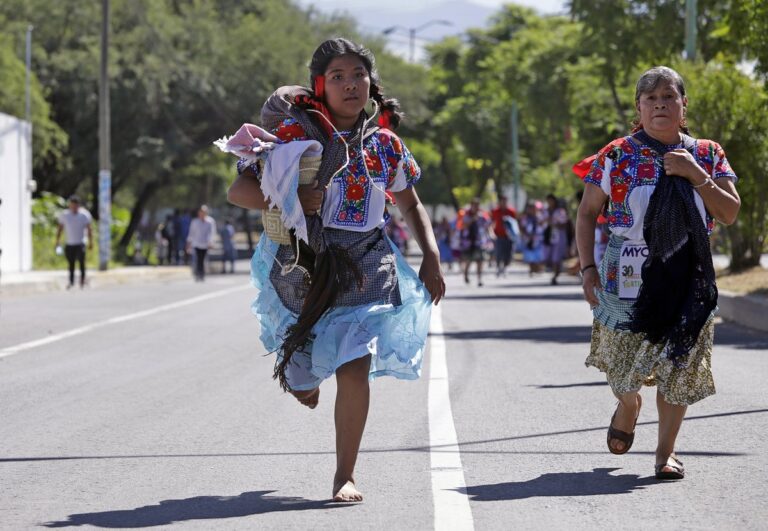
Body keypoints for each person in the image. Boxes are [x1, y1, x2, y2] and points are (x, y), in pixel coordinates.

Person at [225, 38, 444, 502]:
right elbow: (237, 192)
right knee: (302, 375)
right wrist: (289, 199)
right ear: (320, 87)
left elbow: (410, 203)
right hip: (305, 267)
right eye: (339, 77)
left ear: (372, 85)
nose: (350, 85)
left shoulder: (387, 145)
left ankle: (345, 474)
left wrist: (432, 255)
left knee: (354, 367)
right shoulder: (291, 140)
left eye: (359, 76)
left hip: (367, 264)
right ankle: (303, 382)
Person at [576, 66, 740, 480]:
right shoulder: (616, 154)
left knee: (678, 364)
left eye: (669, 97)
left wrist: (695, 174)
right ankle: (629, 405)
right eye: (650, 99)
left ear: (683, 107)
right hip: (625, 278)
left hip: (689, 277)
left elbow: (729, 212)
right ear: (639, 107)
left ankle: (665, 452)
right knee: (622, 364)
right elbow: (586, 213)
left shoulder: (707, 153)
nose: (660, 104)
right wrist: (587, 269)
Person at [54, 195, 93, 289]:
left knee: (81, 262)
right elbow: (60, 229)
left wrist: (91, 242)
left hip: (81, 242)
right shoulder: (65, 215)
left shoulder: (84, 215)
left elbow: (89, 229)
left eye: (76, 205)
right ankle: (71, 282)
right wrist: (57, 241)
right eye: (72, 205)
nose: (74, 207)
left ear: (78, 205)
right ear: (69, 205)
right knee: (71, 263)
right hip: (69, 243)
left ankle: (82, 281)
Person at [456, 198, 490, 286]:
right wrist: (472, 220)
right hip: (469, 242)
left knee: (480, 260)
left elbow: (487, 226)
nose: (476, 207)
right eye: (474, 205)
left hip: (480, 241)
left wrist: (489, 236)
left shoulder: (482, 216)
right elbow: (463, 226)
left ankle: (479, 279)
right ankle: (466, 274)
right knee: (469, 260)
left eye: (477, 205)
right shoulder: (466, 215)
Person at [543, 193, 570, 285]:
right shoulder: (545, 211)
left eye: (551, 200)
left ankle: (555, 276)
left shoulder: (560, 211)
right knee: (547, 256)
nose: (550, 202)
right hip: (548, 236)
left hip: (558, 237)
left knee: (556, 257)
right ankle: (554, 271)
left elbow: (564, 224)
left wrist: (555, 223)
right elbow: (540, 222)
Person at [186, 205, 217, 281]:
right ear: (199, 213)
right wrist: (188, 244)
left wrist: (211, 242)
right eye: (201, 212)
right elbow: (191, 233)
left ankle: (202, 274)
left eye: (204, 212)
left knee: (203, 259)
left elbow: (212, 233)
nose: (202, 213)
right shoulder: (195, 222)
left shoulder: (210, 221)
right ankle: (198, 274)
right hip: (196, 244)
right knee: (197, 259)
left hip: (205, 244)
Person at [490, 195, 518, 277]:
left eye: (505, 201)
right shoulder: (495, 211)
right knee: (498, 252)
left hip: (509, 236)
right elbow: (491, 223)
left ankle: (505, 267)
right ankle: (498, 267)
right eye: (502, 201)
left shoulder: (511, 211)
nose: (503, 203)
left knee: (508, 253)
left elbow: (515, 223)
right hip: (498, 235)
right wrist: (492, 233)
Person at [519, 201, 544, 276]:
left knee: (538, 255)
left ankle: (538, 268)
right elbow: (522, 227)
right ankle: (532, 269)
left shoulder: (539, 217)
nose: (532, 210)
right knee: (530, 255)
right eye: (530, 208)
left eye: (533, 208)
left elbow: (543, 225)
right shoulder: (525, 218)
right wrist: (526, 235)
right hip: (528, 239)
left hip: (538, 239)